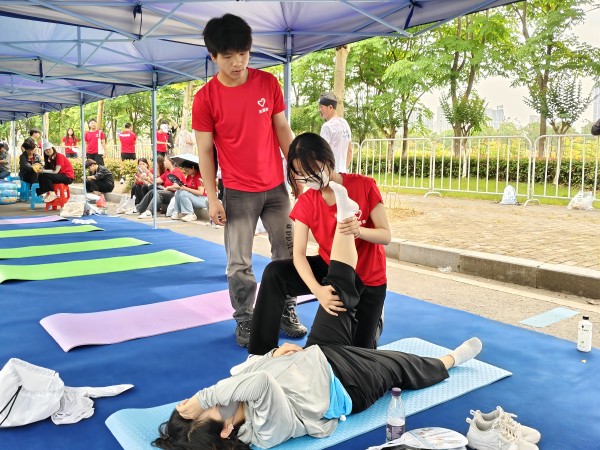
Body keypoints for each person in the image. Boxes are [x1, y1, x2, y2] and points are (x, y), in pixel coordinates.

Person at [152, 187, 483, 449]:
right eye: (212, 406)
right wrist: (202, 399)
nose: (217, 396)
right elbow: (262, 383)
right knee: (400, 365)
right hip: (348, 384)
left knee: (335, 289)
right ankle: (451, 360)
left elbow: (255, 372)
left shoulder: (236, 396)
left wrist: (273, 354)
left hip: (318, 354)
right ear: (226, 429)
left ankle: (345, 215)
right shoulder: (265, 432)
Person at [192, 13, 306, 347]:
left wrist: (296, 171)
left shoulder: (268, 84)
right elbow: (205, 152)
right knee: (239, 263)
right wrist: (213, 198)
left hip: (276, 189)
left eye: (243, 53)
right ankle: (244, 319)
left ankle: (287, 310)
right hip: (238, 193)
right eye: (228, 56)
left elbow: (283, 129)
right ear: (213, 56)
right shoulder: (206, 98)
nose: (238, 62)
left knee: (287, 255)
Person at [249, 132, 389, 355]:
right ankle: (260, 351)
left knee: (359, 354)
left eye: (311, 171)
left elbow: (386, 236)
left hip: (368, 278)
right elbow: (299, 255)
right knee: (275, 272)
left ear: (327, 160)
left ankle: (376, 320)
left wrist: (359, 230)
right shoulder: (307, 201)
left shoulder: (363, 185)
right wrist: (318, 291)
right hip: (329, 269)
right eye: (301, 176)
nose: (307, 180)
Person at [319, 92, 353, 173]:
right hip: (343, 175)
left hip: (330, 175)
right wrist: (343, 170)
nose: (319, 110)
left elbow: (321, 154)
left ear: (330, 107)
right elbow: (350, 150)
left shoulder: (327, 127)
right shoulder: (345, 124)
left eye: (321, 107)